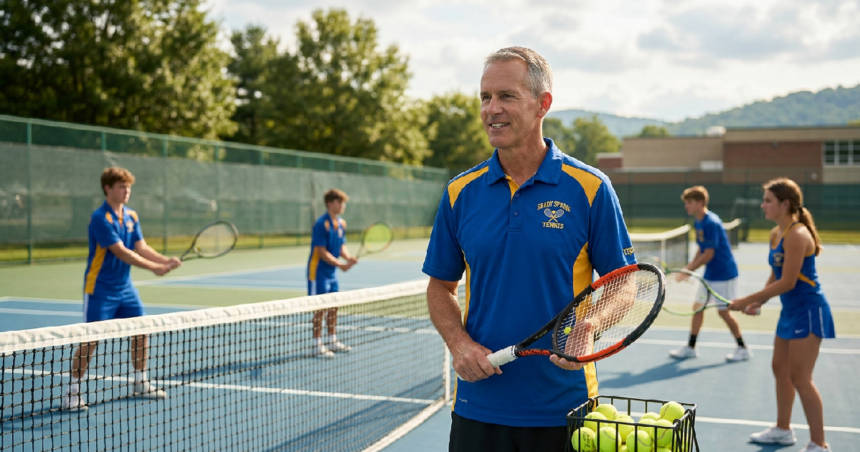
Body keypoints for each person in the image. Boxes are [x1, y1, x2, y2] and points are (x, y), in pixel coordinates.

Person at [422, 47, 636, 451]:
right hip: (477, 405)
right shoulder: (459, 193)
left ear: (543, 105)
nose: (491, 109)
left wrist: (590, 326)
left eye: (506, 96)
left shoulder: (590, 189)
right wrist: (459, 344)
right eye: (485, 97)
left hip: (567, 409)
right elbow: (440, 288)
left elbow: (624, 284)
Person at [729, 178, 835, 452]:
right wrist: (760, 301)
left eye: (767, 201)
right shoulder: (776, 233)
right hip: (790, 312)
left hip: (809, 312)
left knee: (801, 377)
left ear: (784, 204)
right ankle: (783, 430)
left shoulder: (799, 235)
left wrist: (746, 300)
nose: (762, 205)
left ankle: (819, 444)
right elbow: (776, 273)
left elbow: (788, 282)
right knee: (781, 370)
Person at [63, 167, 181, 411]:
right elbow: (121, 251)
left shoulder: (132, 216)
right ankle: (72, 393)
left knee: (142, 331)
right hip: (100, 290)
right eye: (121, 187)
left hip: (126, 289)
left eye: (128, 187)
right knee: (90, 340)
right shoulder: (99, 218)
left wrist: (164, 261)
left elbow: (142, 247)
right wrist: (154, 268)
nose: (127, 191)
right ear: (108, 189)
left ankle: (140, 381)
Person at [668, 186, 750, 362]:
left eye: (689, 202)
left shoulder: (710, 222)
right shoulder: (699, 222)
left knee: (724, 312)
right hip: (711, 273)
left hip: (724, 273)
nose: (686, 206)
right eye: (686, 203)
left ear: (700, 203)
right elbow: (702, 248)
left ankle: (743, 347)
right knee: (698, 307)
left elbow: (709, 254)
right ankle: (691, 346)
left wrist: (689, 270)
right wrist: (689, 268)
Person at [308, 188, 358, 358]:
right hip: (318, 272)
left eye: (343, 202)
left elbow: (341, 245)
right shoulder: (321, 224)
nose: (342, 205)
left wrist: (348, 257)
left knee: (333, 306)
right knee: (319, 308)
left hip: (331, 273)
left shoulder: (341, 223)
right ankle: (316, 344)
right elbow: (321, 251)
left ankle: (331, 340)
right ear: (330, 204)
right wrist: (340, 265)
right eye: (339, 202)